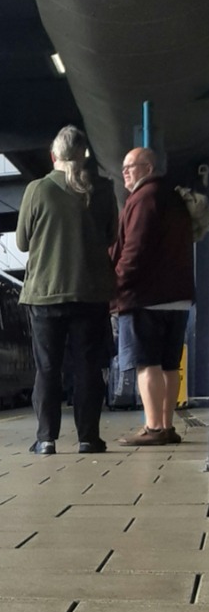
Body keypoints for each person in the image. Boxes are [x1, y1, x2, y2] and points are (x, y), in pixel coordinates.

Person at [16, 125, 117, 455]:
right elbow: (112, 236)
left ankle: (46, 439)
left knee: (48, 368)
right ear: (84, 156)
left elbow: (21, 242)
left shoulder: (38, 189)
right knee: (88, 367)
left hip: (45, 294)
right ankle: (89, 438)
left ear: (53, 155)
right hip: (90, 293)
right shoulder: (102, 189)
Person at [112, 147, 194, 446]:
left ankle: (154, 427)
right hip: (178, 296)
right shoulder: (172, 197)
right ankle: (168, 426)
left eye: (130, 166)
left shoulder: (144, 199)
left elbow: (134, 250)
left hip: (146, 295)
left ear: (148, 168)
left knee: (147, 364)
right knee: (170, 364)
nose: (124, 172)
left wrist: (116, 286)